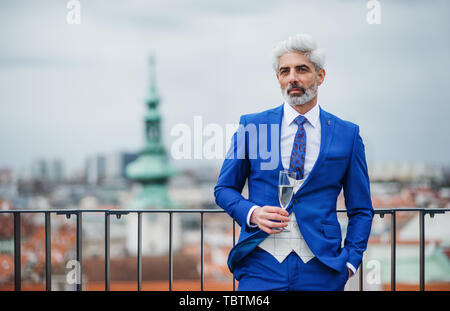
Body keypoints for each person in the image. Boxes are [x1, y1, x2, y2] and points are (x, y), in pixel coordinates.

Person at [214, 34, 374, 291]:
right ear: (278, 78)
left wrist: (350, 262)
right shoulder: (253, 126)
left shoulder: (347, 134)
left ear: (320, 76)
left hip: (323, 268)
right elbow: (223, 190)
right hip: (260, 265)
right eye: (284, 71)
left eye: (302, 69)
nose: (292, 78)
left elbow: (361, 209)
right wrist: (252, 213)